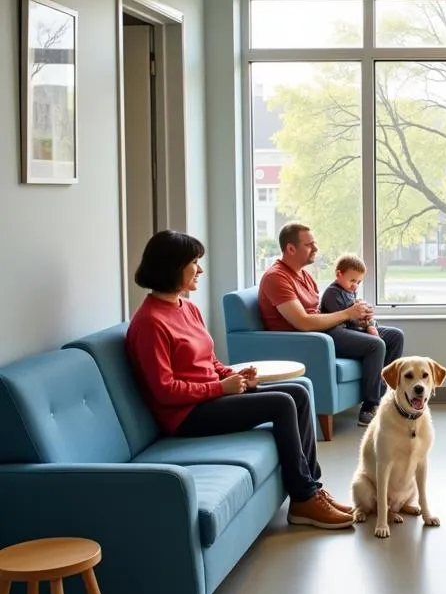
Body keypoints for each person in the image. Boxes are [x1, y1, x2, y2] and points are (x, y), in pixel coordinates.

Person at [126, 230, 354, 530]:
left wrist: (231, 375)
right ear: (173, 267)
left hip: (211, 397)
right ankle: (303, 499)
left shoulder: (187, 307)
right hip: (185, 415)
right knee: (282, 403)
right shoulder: (149, 322)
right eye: (195, 262)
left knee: (299, 391)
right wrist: (220, 387)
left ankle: (312, 488)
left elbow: (209, 361)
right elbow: (164, 391)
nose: (200, 269)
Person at [258, 224, 404, 427]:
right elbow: (303, 322)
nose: (316, 248)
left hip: (324, 331)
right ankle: (370, 407)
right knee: (375, 345)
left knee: (394, 336)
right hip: (307, 339)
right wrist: (347, 313)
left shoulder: (305, 275)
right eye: (309, 245)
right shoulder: (276, 277)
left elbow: (319, 313)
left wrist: (357, 319)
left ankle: (384, 399)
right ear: (291, 249)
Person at [322, 254, 379, 336]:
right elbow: (342, 319)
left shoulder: (350, 290)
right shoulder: (332, 293)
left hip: (352, 326)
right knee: (376, 341)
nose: (355, 286)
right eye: (352, 280)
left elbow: (353, 309)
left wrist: (365, 313)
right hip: (338, 331)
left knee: (396, 334)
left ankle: (371, 327)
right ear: (339, 274)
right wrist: (362, 322)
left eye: (358, 282)